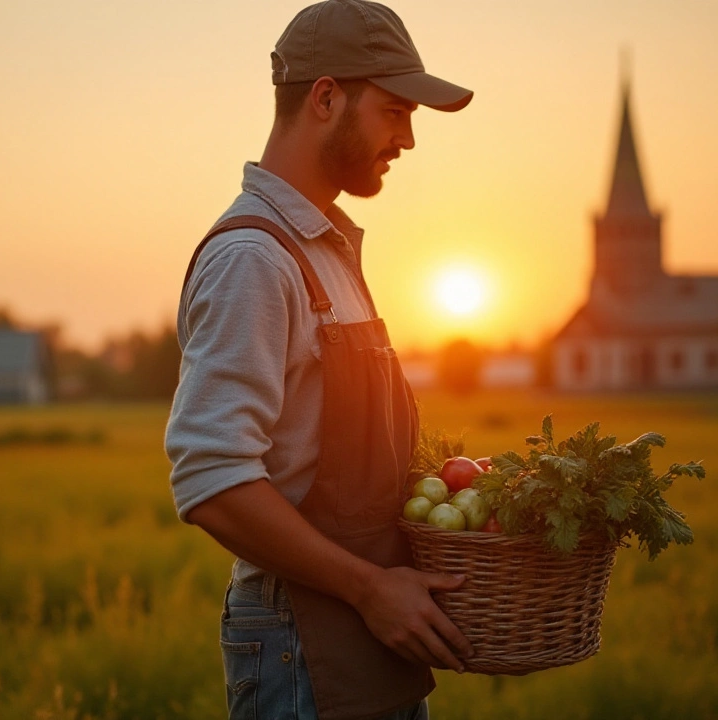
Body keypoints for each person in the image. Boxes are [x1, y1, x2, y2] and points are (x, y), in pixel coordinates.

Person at [164, 2, 475, 718]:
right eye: (395, 110)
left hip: (366, 627)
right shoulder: (254, 259)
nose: (408, 138)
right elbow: (210, 477)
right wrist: (369, 587)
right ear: (327, 97)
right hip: (301, 639)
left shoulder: (322, 249)